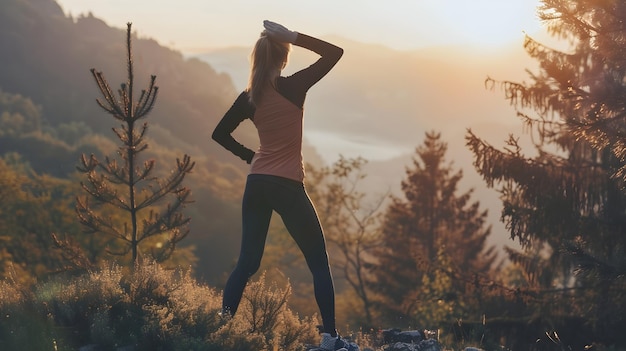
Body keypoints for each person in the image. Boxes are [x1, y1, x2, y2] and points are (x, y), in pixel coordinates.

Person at [212, 20, 357, 351]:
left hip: (257, 182)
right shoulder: (293, 87)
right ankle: (331, 339)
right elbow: (335, 52)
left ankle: (219, 331)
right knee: (318, 261)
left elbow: (219, 134)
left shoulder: (249, 97)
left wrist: (251, 156)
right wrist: (292, 35)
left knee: (246, 263)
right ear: (284, 56)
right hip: (287, 184)